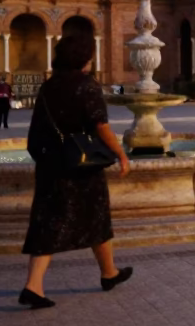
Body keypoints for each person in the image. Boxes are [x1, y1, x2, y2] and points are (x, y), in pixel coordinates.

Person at [19, 34, 132, 309]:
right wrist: (120, 154)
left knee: (48, 223)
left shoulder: (48, 87)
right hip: (80, 165)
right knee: (96, 216)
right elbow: (100, 125)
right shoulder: (86, 85)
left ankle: (38, 284)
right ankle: (107, 273)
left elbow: (37, 131)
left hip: (51, 166)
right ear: (82, 57)